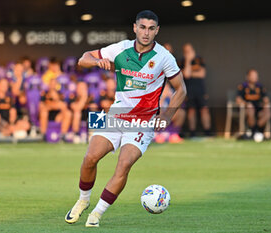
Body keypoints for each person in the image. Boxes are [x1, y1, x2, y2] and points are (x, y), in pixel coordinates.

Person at [65, 10, 186, 227]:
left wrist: (167, 116)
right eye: (142, 27)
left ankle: (97, 214)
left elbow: (181, 90)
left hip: (144, 122)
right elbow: (83, 59)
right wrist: (96, 61)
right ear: (135, 28)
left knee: (124, 164)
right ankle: (82, 201)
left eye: (151, 28)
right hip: (115, 115)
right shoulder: (120, 48)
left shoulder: (164, 57)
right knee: (90, 157)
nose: (146, 33)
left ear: (157, 30)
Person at [179, 43, 211, 137]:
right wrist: (188, 61)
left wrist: (189, 72)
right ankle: (192, 133)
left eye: (190, 50)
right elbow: (185, 75)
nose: (188, 52)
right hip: (189, 90)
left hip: (200, 90)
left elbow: (202, 74)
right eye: (186, 51)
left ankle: (207, 132)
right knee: (191, 111)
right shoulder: (182, 61)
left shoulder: (199, 59)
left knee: (204, 110)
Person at [236, 69, 271, 138]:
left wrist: (266, 104)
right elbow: (238, 100)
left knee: (268, 111)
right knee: (250, 108)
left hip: (258, 110)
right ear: (248, 77)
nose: (255, 77)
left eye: (256, 75)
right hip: (246, 110)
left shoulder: (260, 87)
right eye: (253, 75)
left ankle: (254, 130)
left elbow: (266, 99)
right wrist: (246, 104)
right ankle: (255, 132)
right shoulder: (243, 86)